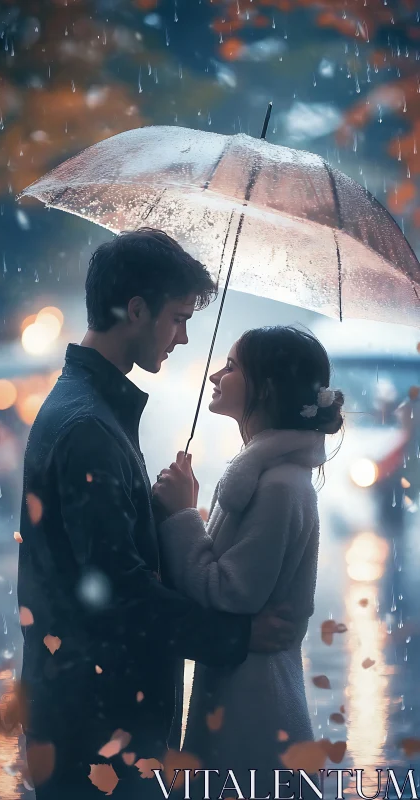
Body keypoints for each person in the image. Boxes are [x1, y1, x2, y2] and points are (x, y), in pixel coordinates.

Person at [17, 229, 297, 800]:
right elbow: (117, 594)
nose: (184, 337)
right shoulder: (88, 425)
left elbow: (96, 554)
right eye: (176, 319)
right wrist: (238, 635)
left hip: (90, 715)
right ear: (136, 310)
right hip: (99, 731)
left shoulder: (92, 408)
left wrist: (163, 511)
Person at [153, 326, 345, 798]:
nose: (217, 374)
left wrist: (181, 516)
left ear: (269, 387)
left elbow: (229, 592)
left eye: (233, 366)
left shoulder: (279, 486)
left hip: (255, 708)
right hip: (239, 691)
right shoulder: (260, 476)